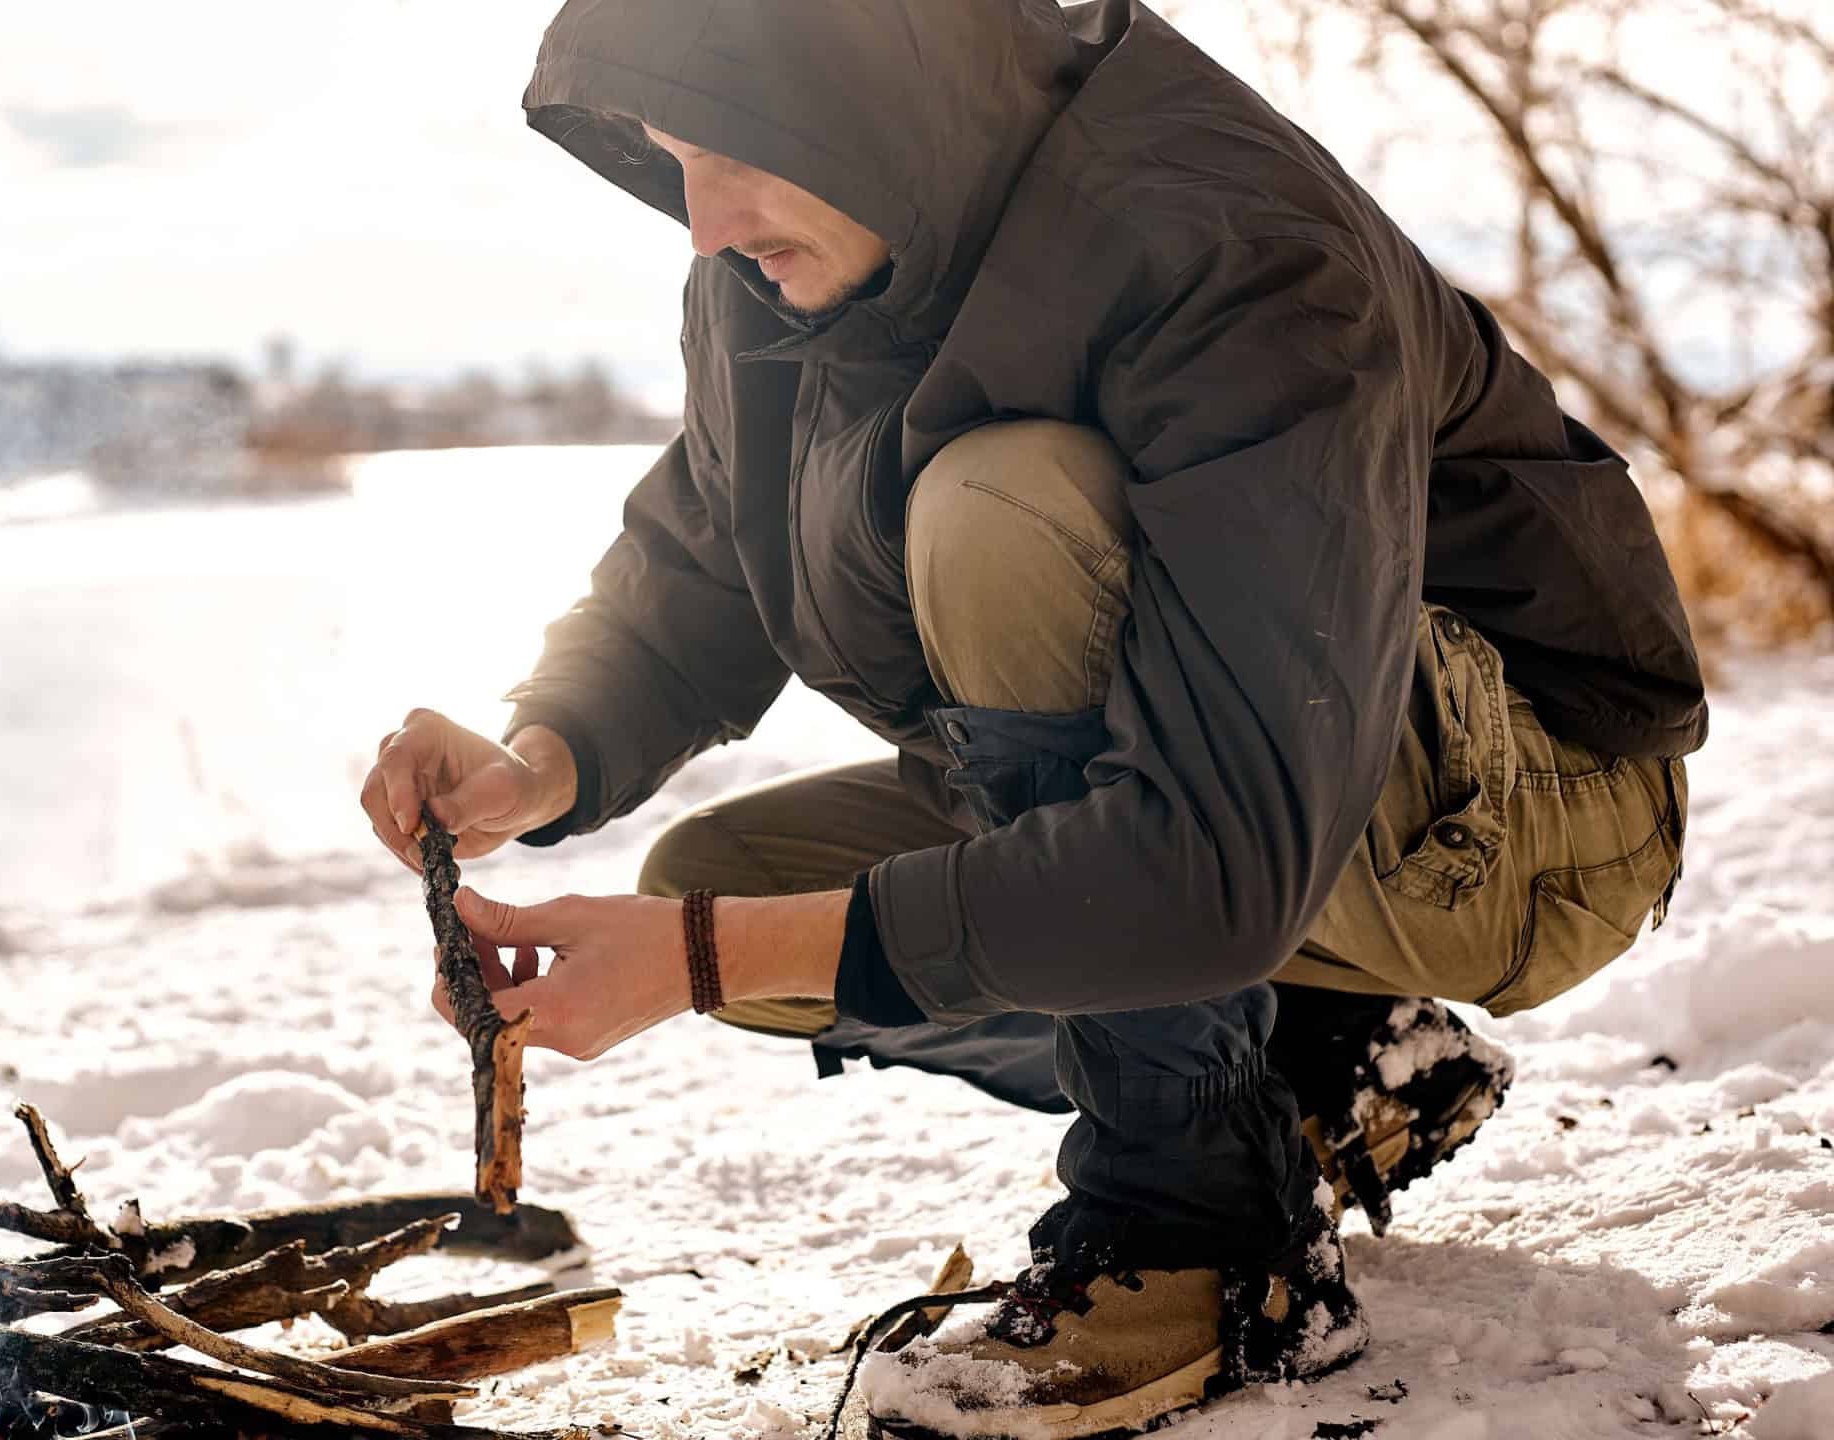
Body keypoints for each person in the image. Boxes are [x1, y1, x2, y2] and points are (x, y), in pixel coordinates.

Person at [358, 1, 1705, 1434]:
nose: (704, 223)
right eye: (671, 157)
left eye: (732, 150)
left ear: (866, 88)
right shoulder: (796, 257)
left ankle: (1196, 1230)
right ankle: (1326, 1060)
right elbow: (708, 554)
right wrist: (540, 758)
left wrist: (691, 959)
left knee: (1004, 511)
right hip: (1270, 804)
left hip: (1524, 813)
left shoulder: (1222, 241)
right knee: (727, 884)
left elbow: (1215, 853)